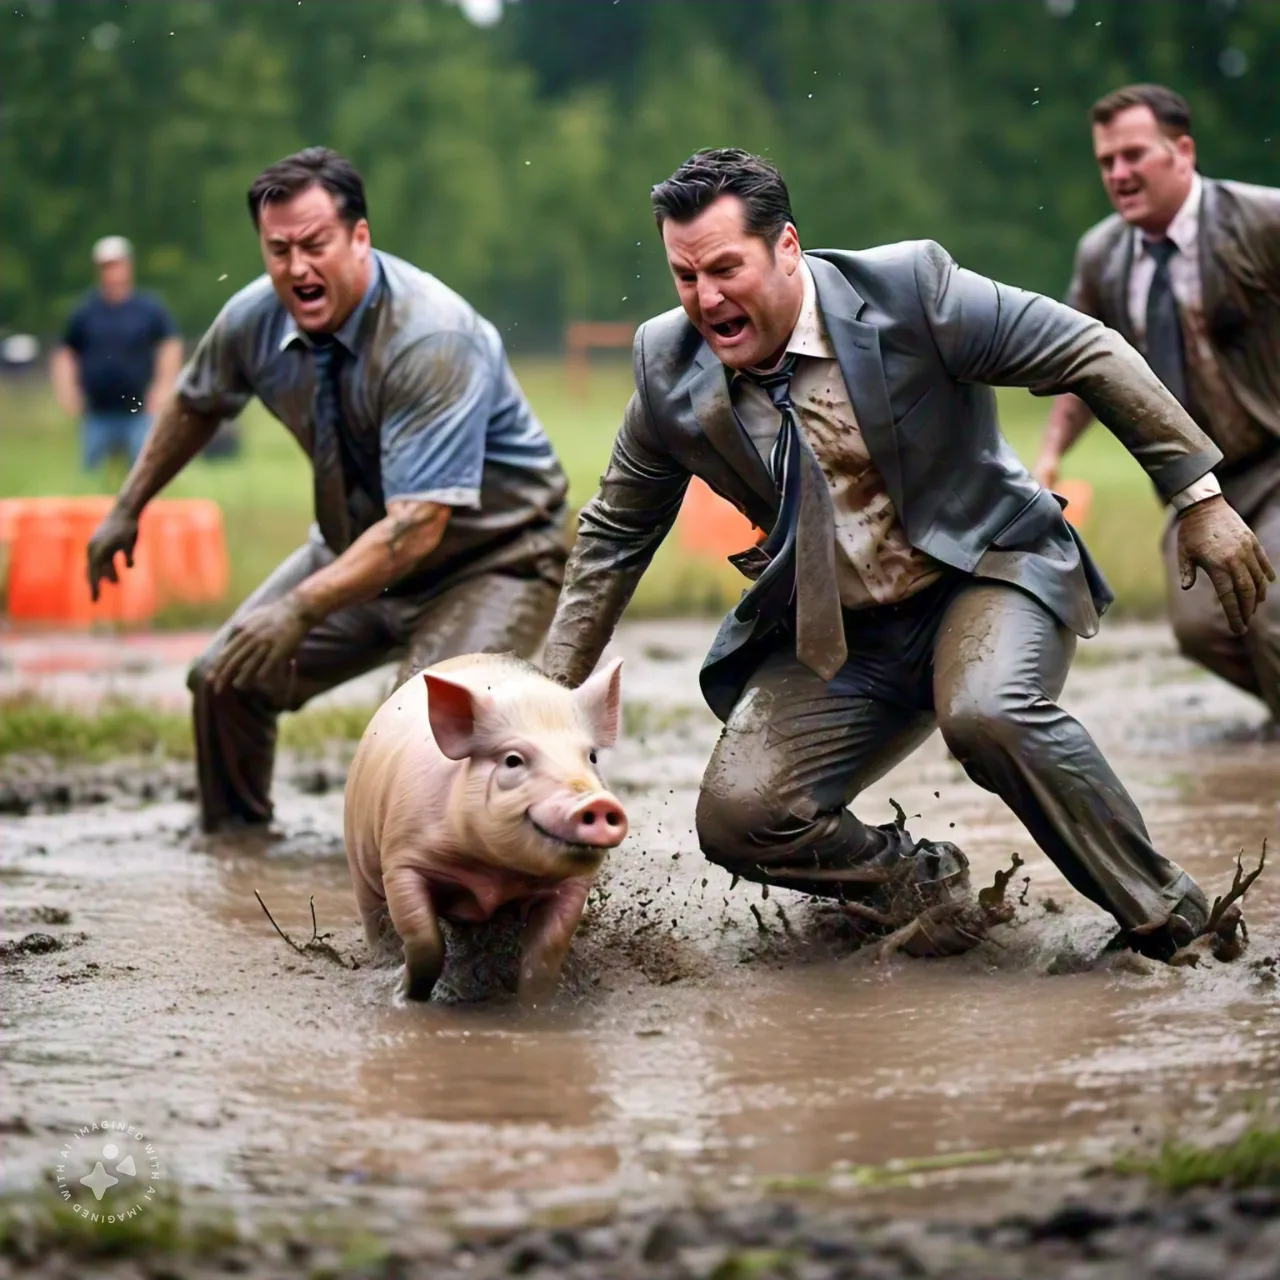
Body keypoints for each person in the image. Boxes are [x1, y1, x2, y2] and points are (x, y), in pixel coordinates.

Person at [541, 148, 1273, 960]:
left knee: (988, 712)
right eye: (685, 276)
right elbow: (613, 534)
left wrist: (1199, 499)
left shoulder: (911, 292)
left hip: (984, 573)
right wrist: (545, 699)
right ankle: (923, 894)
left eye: (724, 268)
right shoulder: (667, 366)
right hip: (844, 631)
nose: (707, 299)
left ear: (787, 248)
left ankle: (1175, 925)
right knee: (740, 815)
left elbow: (1087, 350)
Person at [86, 147, 570, 834]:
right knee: (225, 678)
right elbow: (197, 403)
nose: (296, 268)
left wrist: (299, 610)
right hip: (358, 550)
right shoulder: (253, 318)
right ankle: (240, 852)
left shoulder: (430, 335)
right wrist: (126, 508)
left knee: (421, 733)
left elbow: (418, 526)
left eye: (315, 245)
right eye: (278, 249)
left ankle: (492, 897)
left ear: (360, 237)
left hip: (493, 560)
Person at [1034, 84, 1280, 733]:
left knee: (1272, 612)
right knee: (1205, 627)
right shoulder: (1103, 257)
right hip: (1193, 479)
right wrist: (1051, 457)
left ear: (1182, 152)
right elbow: (1079, 365)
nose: (1118, 173)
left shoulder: (1262, 220)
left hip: (1275, 460)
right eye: (1106, 162)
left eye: (1134, 154)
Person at [51, 236, 183, 471]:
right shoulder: (85, 312)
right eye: (106, 266)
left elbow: (169, 346)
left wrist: (163, 387)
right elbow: (66, 353)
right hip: (97, 411)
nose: (112, 272)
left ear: (128, 265)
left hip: (139, 410)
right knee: (92, 475)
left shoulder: (149, 309)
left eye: (116, 264)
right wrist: (68, 391)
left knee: (143, 472)